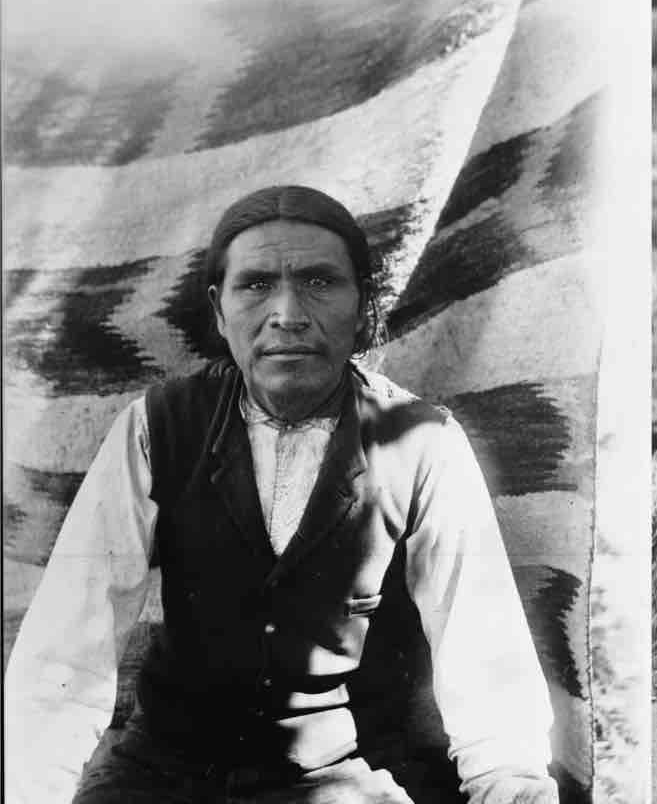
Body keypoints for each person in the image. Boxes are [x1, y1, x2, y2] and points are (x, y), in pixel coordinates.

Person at [4, 186, 556, 803]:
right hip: (163, 773)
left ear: (363, 306)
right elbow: (69, 642)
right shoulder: (154, 428)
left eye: (320, 282)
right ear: (219, 311)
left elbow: (481, 640)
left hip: (340, 773)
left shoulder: (422, 442)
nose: (288, 312)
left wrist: (510, 780)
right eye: (257, 284)